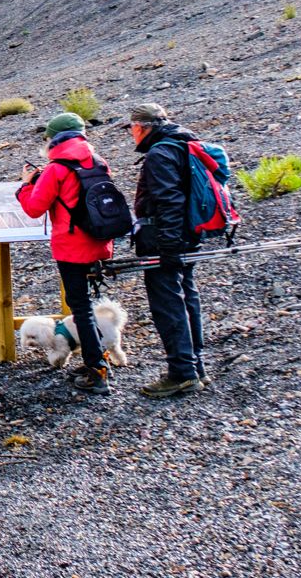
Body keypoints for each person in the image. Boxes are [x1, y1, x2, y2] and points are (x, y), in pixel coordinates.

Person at [16, 111, 114, 394]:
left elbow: (35, 208)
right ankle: (96, 357)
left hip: (72, 246)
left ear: (54, 140)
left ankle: (97, 371)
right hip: (99, 240)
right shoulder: (97, 161)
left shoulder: (56, 168)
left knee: (80, 308)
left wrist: (25, 185)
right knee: (87, 305)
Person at [124, 102, 209, 398]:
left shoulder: (160, 153)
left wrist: (168, 244)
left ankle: (182, 373)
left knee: (168, 303)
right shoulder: (184, 145)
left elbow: (169, 200)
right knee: (187, 296)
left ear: (143, 127)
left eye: (132, 128)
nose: (132, 134)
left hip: (165, 239)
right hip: (189, 233)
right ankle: (195, 366)